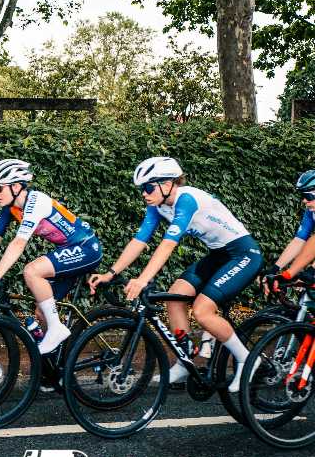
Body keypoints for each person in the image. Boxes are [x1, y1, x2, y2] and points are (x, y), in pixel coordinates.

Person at [88, 156, 263, 393]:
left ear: (168, 183)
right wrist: (110, 273)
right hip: (219, 254)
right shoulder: (158, 205)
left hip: (243, 254)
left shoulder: (186, 200)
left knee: (202, 310)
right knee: (174, 298)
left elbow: (168, 245)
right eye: (142, 189)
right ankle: (185, 362)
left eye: (148, 187)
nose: (144, 193)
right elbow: (139, 240)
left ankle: (248, 359)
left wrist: (142, 280)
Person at [0, 158, 102, 355]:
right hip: (70, 249)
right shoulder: (12, 207)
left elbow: (18, 243)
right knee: (41, 310)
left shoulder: (36, 201)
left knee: (32, 271)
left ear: (15, 186)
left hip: (86, 248)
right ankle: (53, 361)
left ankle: (56, 329)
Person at [264, 170, 315, 294]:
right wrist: (274, 270)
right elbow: (299, 240)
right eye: (302, 196)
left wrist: (310, 272)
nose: (304, 201)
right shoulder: (311, 212)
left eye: (308, 196)